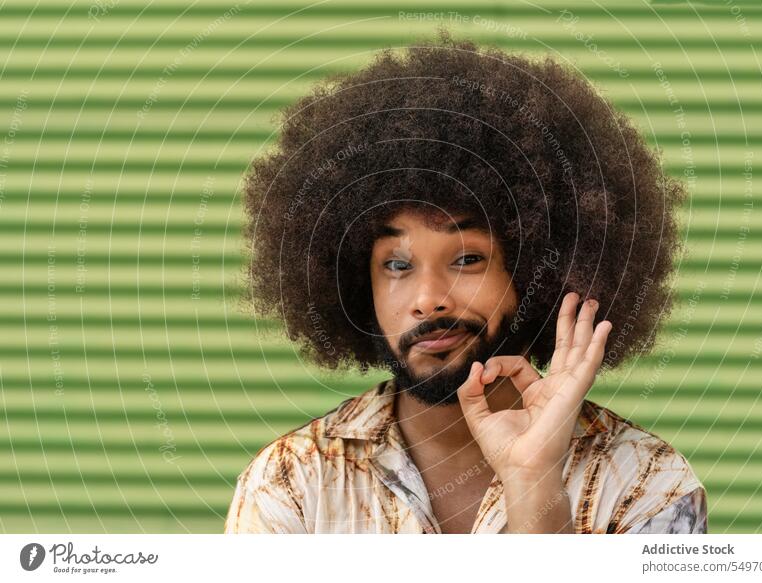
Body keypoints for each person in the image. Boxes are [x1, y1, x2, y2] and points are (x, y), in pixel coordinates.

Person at [224, 29, 707, 534]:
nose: (429, 300)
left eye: (467, 259)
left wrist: (533, 479)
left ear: (534, 272)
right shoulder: (292, 482)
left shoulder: (649, 485)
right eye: (396, 265)